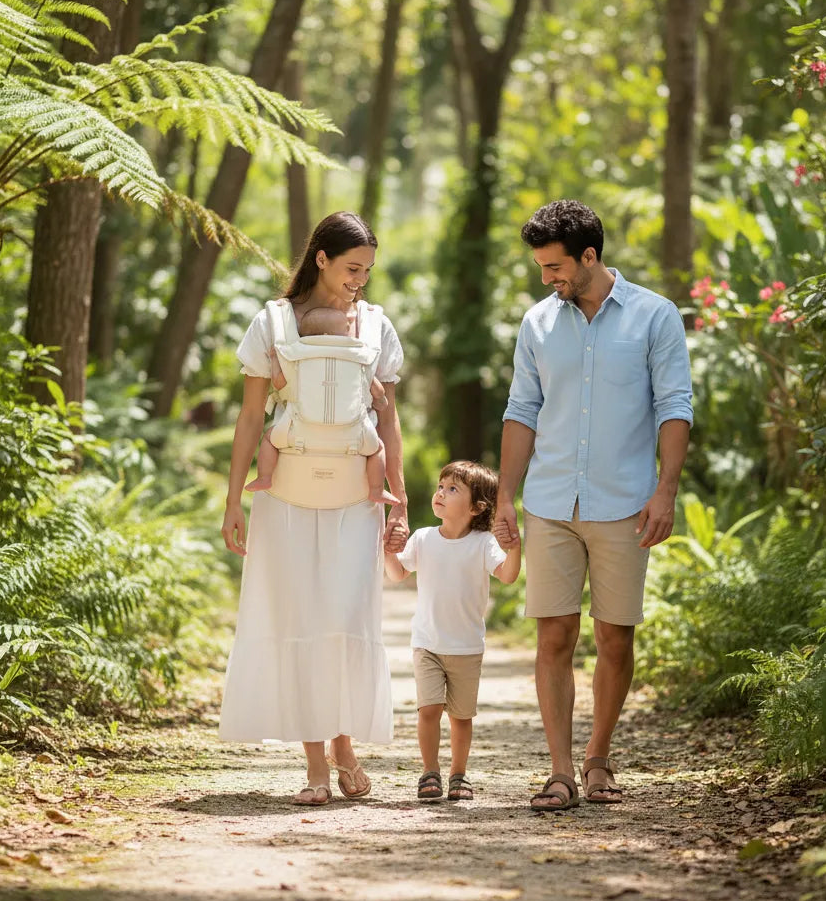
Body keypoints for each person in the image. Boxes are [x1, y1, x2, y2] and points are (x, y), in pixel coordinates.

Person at [494, 199, 693, 811]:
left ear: (589, 256)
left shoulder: (655, 317)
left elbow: (674, 406)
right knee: (553, 634)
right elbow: (522, 410)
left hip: (624, 504)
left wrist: (667, 489)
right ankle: (559, 771)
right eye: (540, 269)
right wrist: (504, 494)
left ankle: (599, 757)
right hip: (550, 500)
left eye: (554, 267)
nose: (546, 279)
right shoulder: (538, 323)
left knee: (615, 638)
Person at [220, 211, 409, 806]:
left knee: (345, 619)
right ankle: (315, 765)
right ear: (321, 257)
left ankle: (345, 744)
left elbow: (389, 421)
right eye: (353, 268)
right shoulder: (272, 323)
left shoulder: (377, 326)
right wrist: (233, 501)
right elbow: (252, 418)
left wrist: (398, 501)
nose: (361, 280)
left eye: (368, 271)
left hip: (357, 499)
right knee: (298, 619)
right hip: (284, 498)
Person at [384, 461, 521, 803]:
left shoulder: (483, 542)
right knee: (428, 709)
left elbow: (507, 575)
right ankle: (430, 771)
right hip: (427, 642)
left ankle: (458, 774)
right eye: (440, 486)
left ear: (477, 507)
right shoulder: (424, 537)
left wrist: (516, 548)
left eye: (453, 489)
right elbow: (398, 574)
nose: (440, 493)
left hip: (467, 647)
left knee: (461, 717)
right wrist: (387, 551)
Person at [244, 305, 397, 505]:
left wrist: (274, 359)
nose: (348, 331)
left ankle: (265, 477)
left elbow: (279, 382)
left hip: (298, 430)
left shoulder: (298, 358)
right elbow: (377, 391)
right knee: (377, 449)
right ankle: (377, 489)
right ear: (330, 334)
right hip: (353, 433)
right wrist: (381, 401)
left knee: (269, 440)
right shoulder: (359, 358)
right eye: (345, 328)